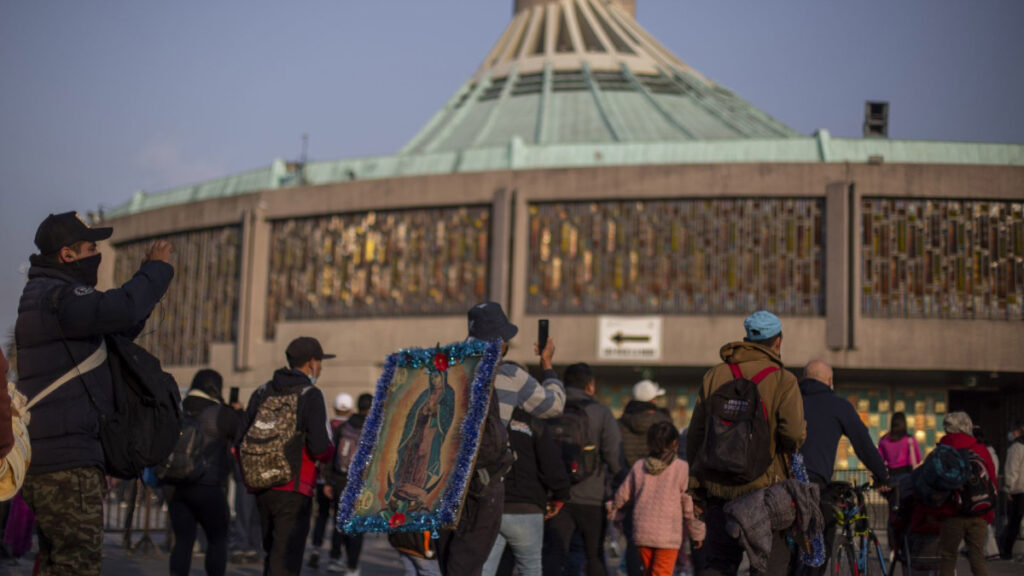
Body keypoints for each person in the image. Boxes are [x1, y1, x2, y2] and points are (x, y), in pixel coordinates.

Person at [16, 211, 174, 575]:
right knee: (78, 566)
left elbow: (117, 322)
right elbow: (120, 307)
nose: (95, 253)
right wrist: (156, 270)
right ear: (67, 255)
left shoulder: (48, 297)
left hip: (54, 460)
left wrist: (144, 284)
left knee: (59, 564)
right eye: (90, 247)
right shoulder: (58, 297)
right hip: (67, 464)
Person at [435, 301, 564, 576]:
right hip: (487, 484)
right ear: (501, 342)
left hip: (446, 483)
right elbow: (553, 405)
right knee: (473, 560)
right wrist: (548, 366)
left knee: (453, 560)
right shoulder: (510, 375)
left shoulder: (446, 371)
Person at [686, 310, 805, 576]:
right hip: (765, 491)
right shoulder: (783, 380)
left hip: (718, 488)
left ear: (747, 339)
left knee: (718, 563)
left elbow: (696, 435)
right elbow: (794, 434)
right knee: (768, 566)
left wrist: (695, 488)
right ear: (778, 342)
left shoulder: (715, 375)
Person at [242, 337, 335, 576]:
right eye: (320, 362)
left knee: (271, 552)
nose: (320, 368)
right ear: (311, 363)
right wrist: (328, 456)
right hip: (294, 485)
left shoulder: (262, 391)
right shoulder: (311, 394)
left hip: (261, 484)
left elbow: (240, 437)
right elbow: (319, 446)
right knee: (286, 558)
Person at [795, 360, 890, 576]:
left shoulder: (790, 402)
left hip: (780, 483)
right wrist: (882, 476)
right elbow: (863, 445)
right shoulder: (838, 405)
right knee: (821, 539)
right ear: (829, 381)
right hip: (813, 484)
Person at [544, 362, 622, 576]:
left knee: (554, 554)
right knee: (594, 555)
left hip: (556, 496)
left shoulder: (551, 410)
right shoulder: (602, 412)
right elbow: (613, 457)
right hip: (592, 497)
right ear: (590, 385)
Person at [166, 369, 243, 576]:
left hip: (176, 486)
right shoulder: (221, 413)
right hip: (209, 486)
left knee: (182, 541)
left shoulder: (177, 410)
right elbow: (241, 437)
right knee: (217, 540)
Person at [481, 407, 571, 576]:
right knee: (530, 568)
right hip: (527, 506)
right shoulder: (532, 422)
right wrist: (560, 496)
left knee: (485, 568)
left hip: (492, 506)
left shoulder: (487, 418)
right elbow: (551, 466)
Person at [610, 421, 705, 576]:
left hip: (642, 532)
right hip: (668, 535)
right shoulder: (681, 468)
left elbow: (622, 496)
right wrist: (697, 533)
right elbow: (690, 507)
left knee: (650, 572)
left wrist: (616, 518)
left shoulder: (639, 466)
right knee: (661, 572)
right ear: (675, 443)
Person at [618, 379, 673, 576]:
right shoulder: (664, 421)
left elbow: (615, 458)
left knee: (634, 542)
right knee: (662, 545)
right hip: (662, 489)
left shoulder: (622, 422)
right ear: (652, 399)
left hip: (631, 487)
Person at [932, 412, 996, 576]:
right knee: (977, 557)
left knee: (948, 556)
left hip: (952, 513)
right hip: (979, 511)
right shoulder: (980, 449)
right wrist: (988, 513)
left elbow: (933, 483)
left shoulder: (942, 451)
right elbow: (992, 480)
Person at [321, 393, 372, 574]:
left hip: (340, 481)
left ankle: (335, 557)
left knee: (339, 521)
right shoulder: (374, 429)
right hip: (362, 484)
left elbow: (332, 457)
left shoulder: (344, 427)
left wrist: (328, 482)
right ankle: (352, 565)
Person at [309, 393, 354, 571]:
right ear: (350, 409)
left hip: (321, 480)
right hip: (339, 481)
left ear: (334, 407)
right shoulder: (350, 428)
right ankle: (335, 557)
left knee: (320, 516)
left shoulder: (326, 426)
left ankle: (316, 549)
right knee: (338, 519)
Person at [1002, 418, 1024, 560]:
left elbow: (1012, 469)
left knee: (1014, 522)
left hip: (1018, 490)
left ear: (1017, 431)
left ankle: (1007, 551)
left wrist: (1008, 488)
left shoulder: (1016, 447)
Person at [878, 411, 922, 478]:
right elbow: (918, 459)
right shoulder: (910, 439)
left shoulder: (883, 440)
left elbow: (879, 460)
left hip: (891, 476)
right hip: (907, 476)